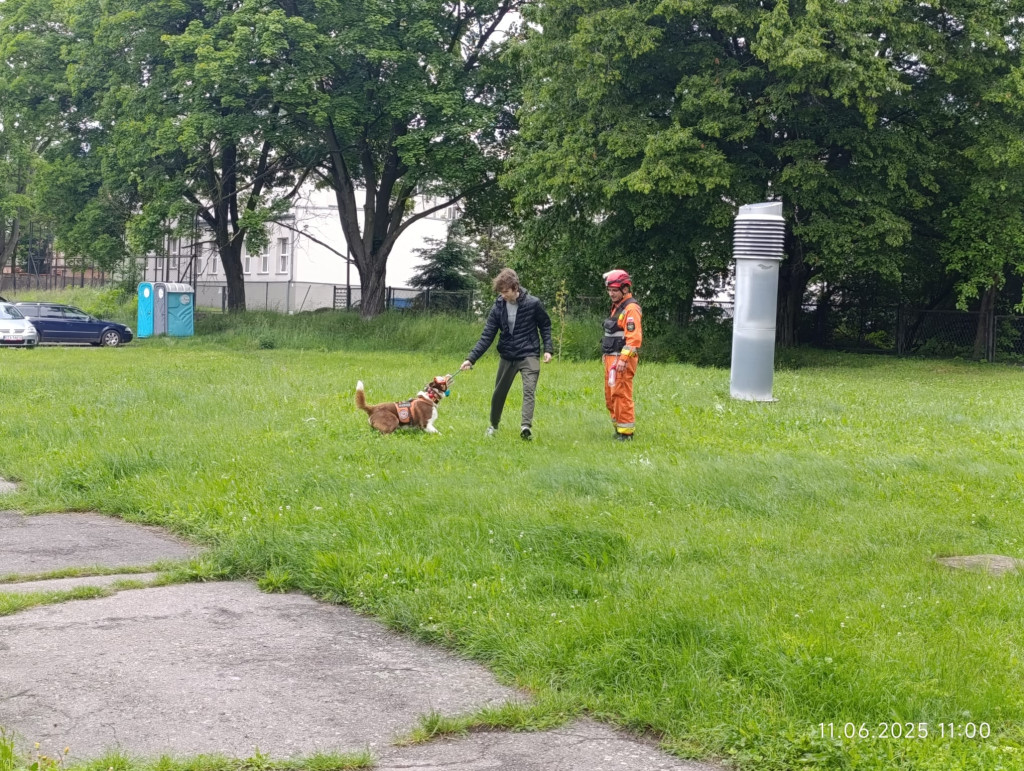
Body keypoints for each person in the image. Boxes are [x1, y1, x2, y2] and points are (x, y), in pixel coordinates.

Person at [461, 268, 553, 440]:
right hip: (507, 356)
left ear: (515, 287)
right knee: (499, 393)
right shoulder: (498, 306)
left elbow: (545, 325)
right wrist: (470, 359)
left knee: (529, 390)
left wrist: (548, 349)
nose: (503, 295)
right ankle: (493, 426)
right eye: (501, 292)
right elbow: (487, 335)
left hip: (529, 354)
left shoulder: (533, 303)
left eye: (505, 291)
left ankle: (526, 427)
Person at [601, 269, 642, 441]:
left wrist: (623, 360)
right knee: (611, 396)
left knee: (621, 395)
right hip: (612, 358)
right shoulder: (618, 307)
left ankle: (626, 434)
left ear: (625, 289)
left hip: (621, 360)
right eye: (609, 290)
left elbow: (633, 339)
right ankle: (619, 428)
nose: (611, 293)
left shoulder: (630, 309)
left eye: (614, 290)